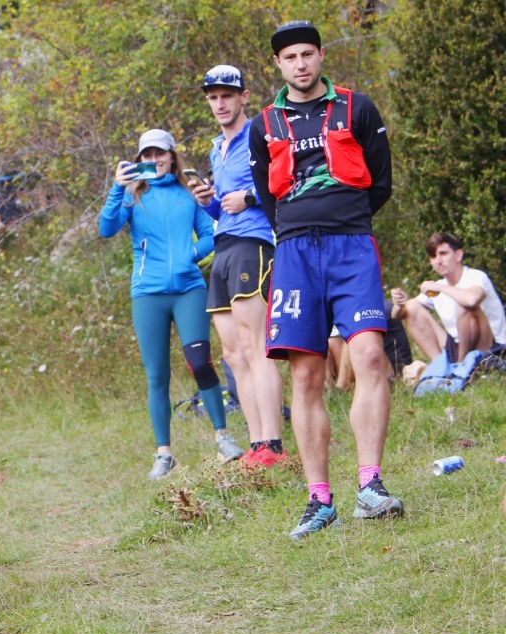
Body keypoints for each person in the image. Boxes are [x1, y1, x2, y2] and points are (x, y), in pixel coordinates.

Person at [249, 20, 400, 540]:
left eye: (307, 54)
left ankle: (371, 486)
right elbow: (268, 199)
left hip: (352, 246)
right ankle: (319, 500)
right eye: (290, 57)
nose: (300, 64)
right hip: (293, 254)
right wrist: (298, 226)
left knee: (371, 356)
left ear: (320, 56)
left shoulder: (359, 108)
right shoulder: (263, 124)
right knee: (306, 376)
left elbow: (379, 181)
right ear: (278, 65)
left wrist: (343, 218)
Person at [99, 129, 246, 479]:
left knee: (200, 362)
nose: (153, 160)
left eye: (159, 154)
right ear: (139, 160)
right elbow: (106, 229)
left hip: (188, 289)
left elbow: (211, 234)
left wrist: (189, 256)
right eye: (146, 155)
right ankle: (164, 454)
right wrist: (117, 187)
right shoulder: (132, 197)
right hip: (147, 294)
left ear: (171, 156)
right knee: (157, 375)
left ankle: (223, 437)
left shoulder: (187, 192)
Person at [192, 65, 287, 468]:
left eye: (226, 96)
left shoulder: (261, 133)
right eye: (212, 97)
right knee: (232, 352)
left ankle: (274, 444)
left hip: (255, 243)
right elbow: (222, 208)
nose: (219, 103)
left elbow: (284, 184)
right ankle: (255, 443)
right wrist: (208, 201)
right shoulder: (217, 147)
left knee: (256, 346)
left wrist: (248, 199)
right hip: (224, 245)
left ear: (243, 96)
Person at [390, 232, 506, 362]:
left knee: (464, 306)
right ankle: (441, 366)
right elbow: (397, 315)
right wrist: (399, 303)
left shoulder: (476, 277)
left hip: (492, 346)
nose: (438, 261)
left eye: (443, 254)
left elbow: (471, 300)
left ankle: (462, 368)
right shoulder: (438, 286)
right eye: (433, 257)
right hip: (458, 346)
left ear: (458, 255)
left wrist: (440, 288)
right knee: (411, 308)